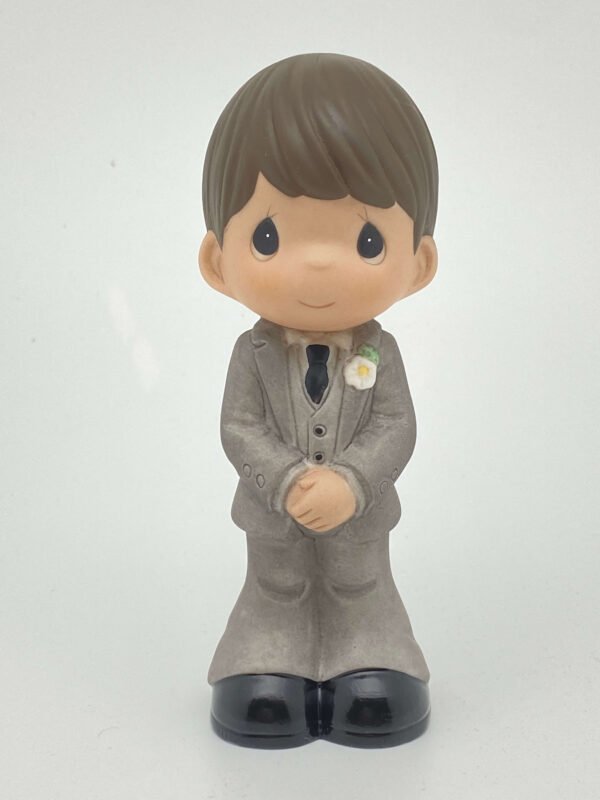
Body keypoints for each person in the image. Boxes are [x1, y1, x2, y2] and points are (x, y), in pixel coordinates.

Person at [198, 52, 439, 748]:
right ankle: (267, 656)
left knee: (360, 585)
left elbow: (395, 424)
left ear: (420, 263)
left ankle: (369, 653)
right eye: (269, 238)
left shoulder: (377, 355)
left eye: (366, 240)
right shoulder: (252, 355)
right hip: (272, 517)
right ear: (217, 262)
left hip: (360, 523)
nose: (319, 264)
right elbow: (238, 426)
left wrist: (352, 482)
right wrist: (287, 479)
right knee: (276, 587)